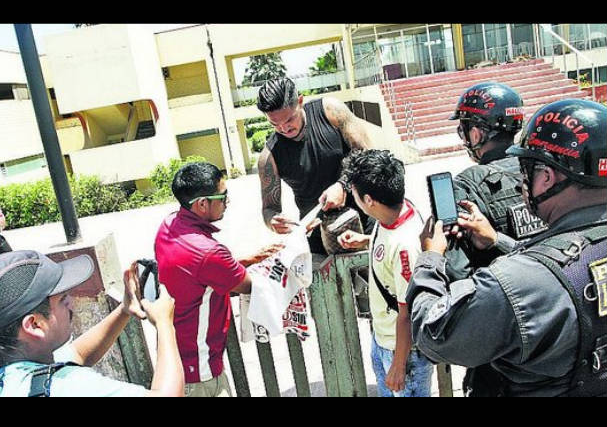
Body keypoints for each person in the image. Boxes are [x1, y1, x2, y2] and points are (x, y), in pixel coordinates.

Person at [406, 99, 607, 397]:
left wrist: (430, 258)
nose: (523, 181)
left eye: (526, 170)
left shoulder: (514, 284)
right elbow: (564, 267)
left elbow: (433, 333)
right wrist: (498, 242)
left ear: (547, 177)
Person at [154, 162, 283, 397]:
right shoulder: (209, 253)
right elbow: (247, 285)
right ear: (202, 203)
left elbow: (198, 269)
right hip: (200, 371)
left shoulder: (169, 226)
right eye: (223, 196)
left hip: (177, 358)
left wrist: (246, 259)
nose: (227, 202)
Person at [0, 251, 184, 397]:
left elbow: (78, 355)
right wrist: (164, 324)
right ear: (35, 324)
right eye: (63, 299)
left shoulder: (14, 369)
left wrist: (124, 310)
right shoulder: (67, 385)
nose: (71, 302)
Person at [335, 149, 433, 397]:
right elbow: (389, 247)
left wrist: (398, 367)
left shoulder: (404, 246)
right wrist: (366, 241)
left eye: (354, 194)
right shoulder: (394, 210)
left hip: (403, 351)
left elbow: (407, 314)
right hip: (384, 338)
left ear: (368, 200)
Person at [256, 77, 375, 254]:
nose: (284, 128)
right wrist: (273, 221)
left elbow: (368, 153)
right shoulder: (269, 157)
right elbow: (269, 209)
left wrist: (343, 184)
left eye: (289, 120)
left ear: (300, 102)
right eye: (275, 124)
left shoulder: (330, 111)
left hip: (366, 217)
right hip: (318, 237)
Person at [445, 82, 546, 281]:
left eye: (463, 130)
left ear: (477, 134)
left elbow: (457, 273)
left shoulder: (464, 185)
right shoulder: (544, 170)